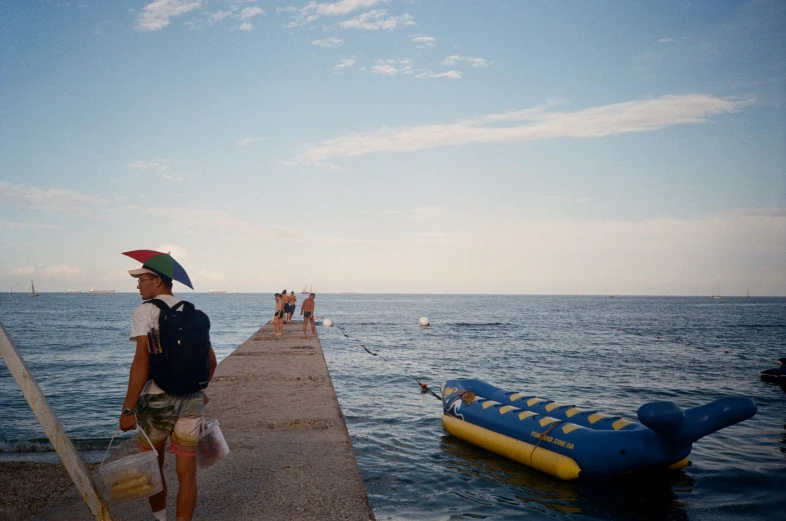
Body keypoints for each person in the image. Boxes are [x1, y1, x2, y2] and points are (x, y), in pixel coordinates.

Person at [120, 266, 217, 521]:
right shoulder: (193, 313)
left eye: (142, 280)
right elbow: (211, 361)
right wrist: (199, 388)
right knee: (188, 473)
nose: (138, 286)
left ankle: (160, 519)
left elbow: (142, 361)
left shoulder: (145, 311)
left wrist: (128, 409)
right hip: (192, 400)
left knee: (152, 465)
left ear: (159, 281)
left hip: (157, 400)